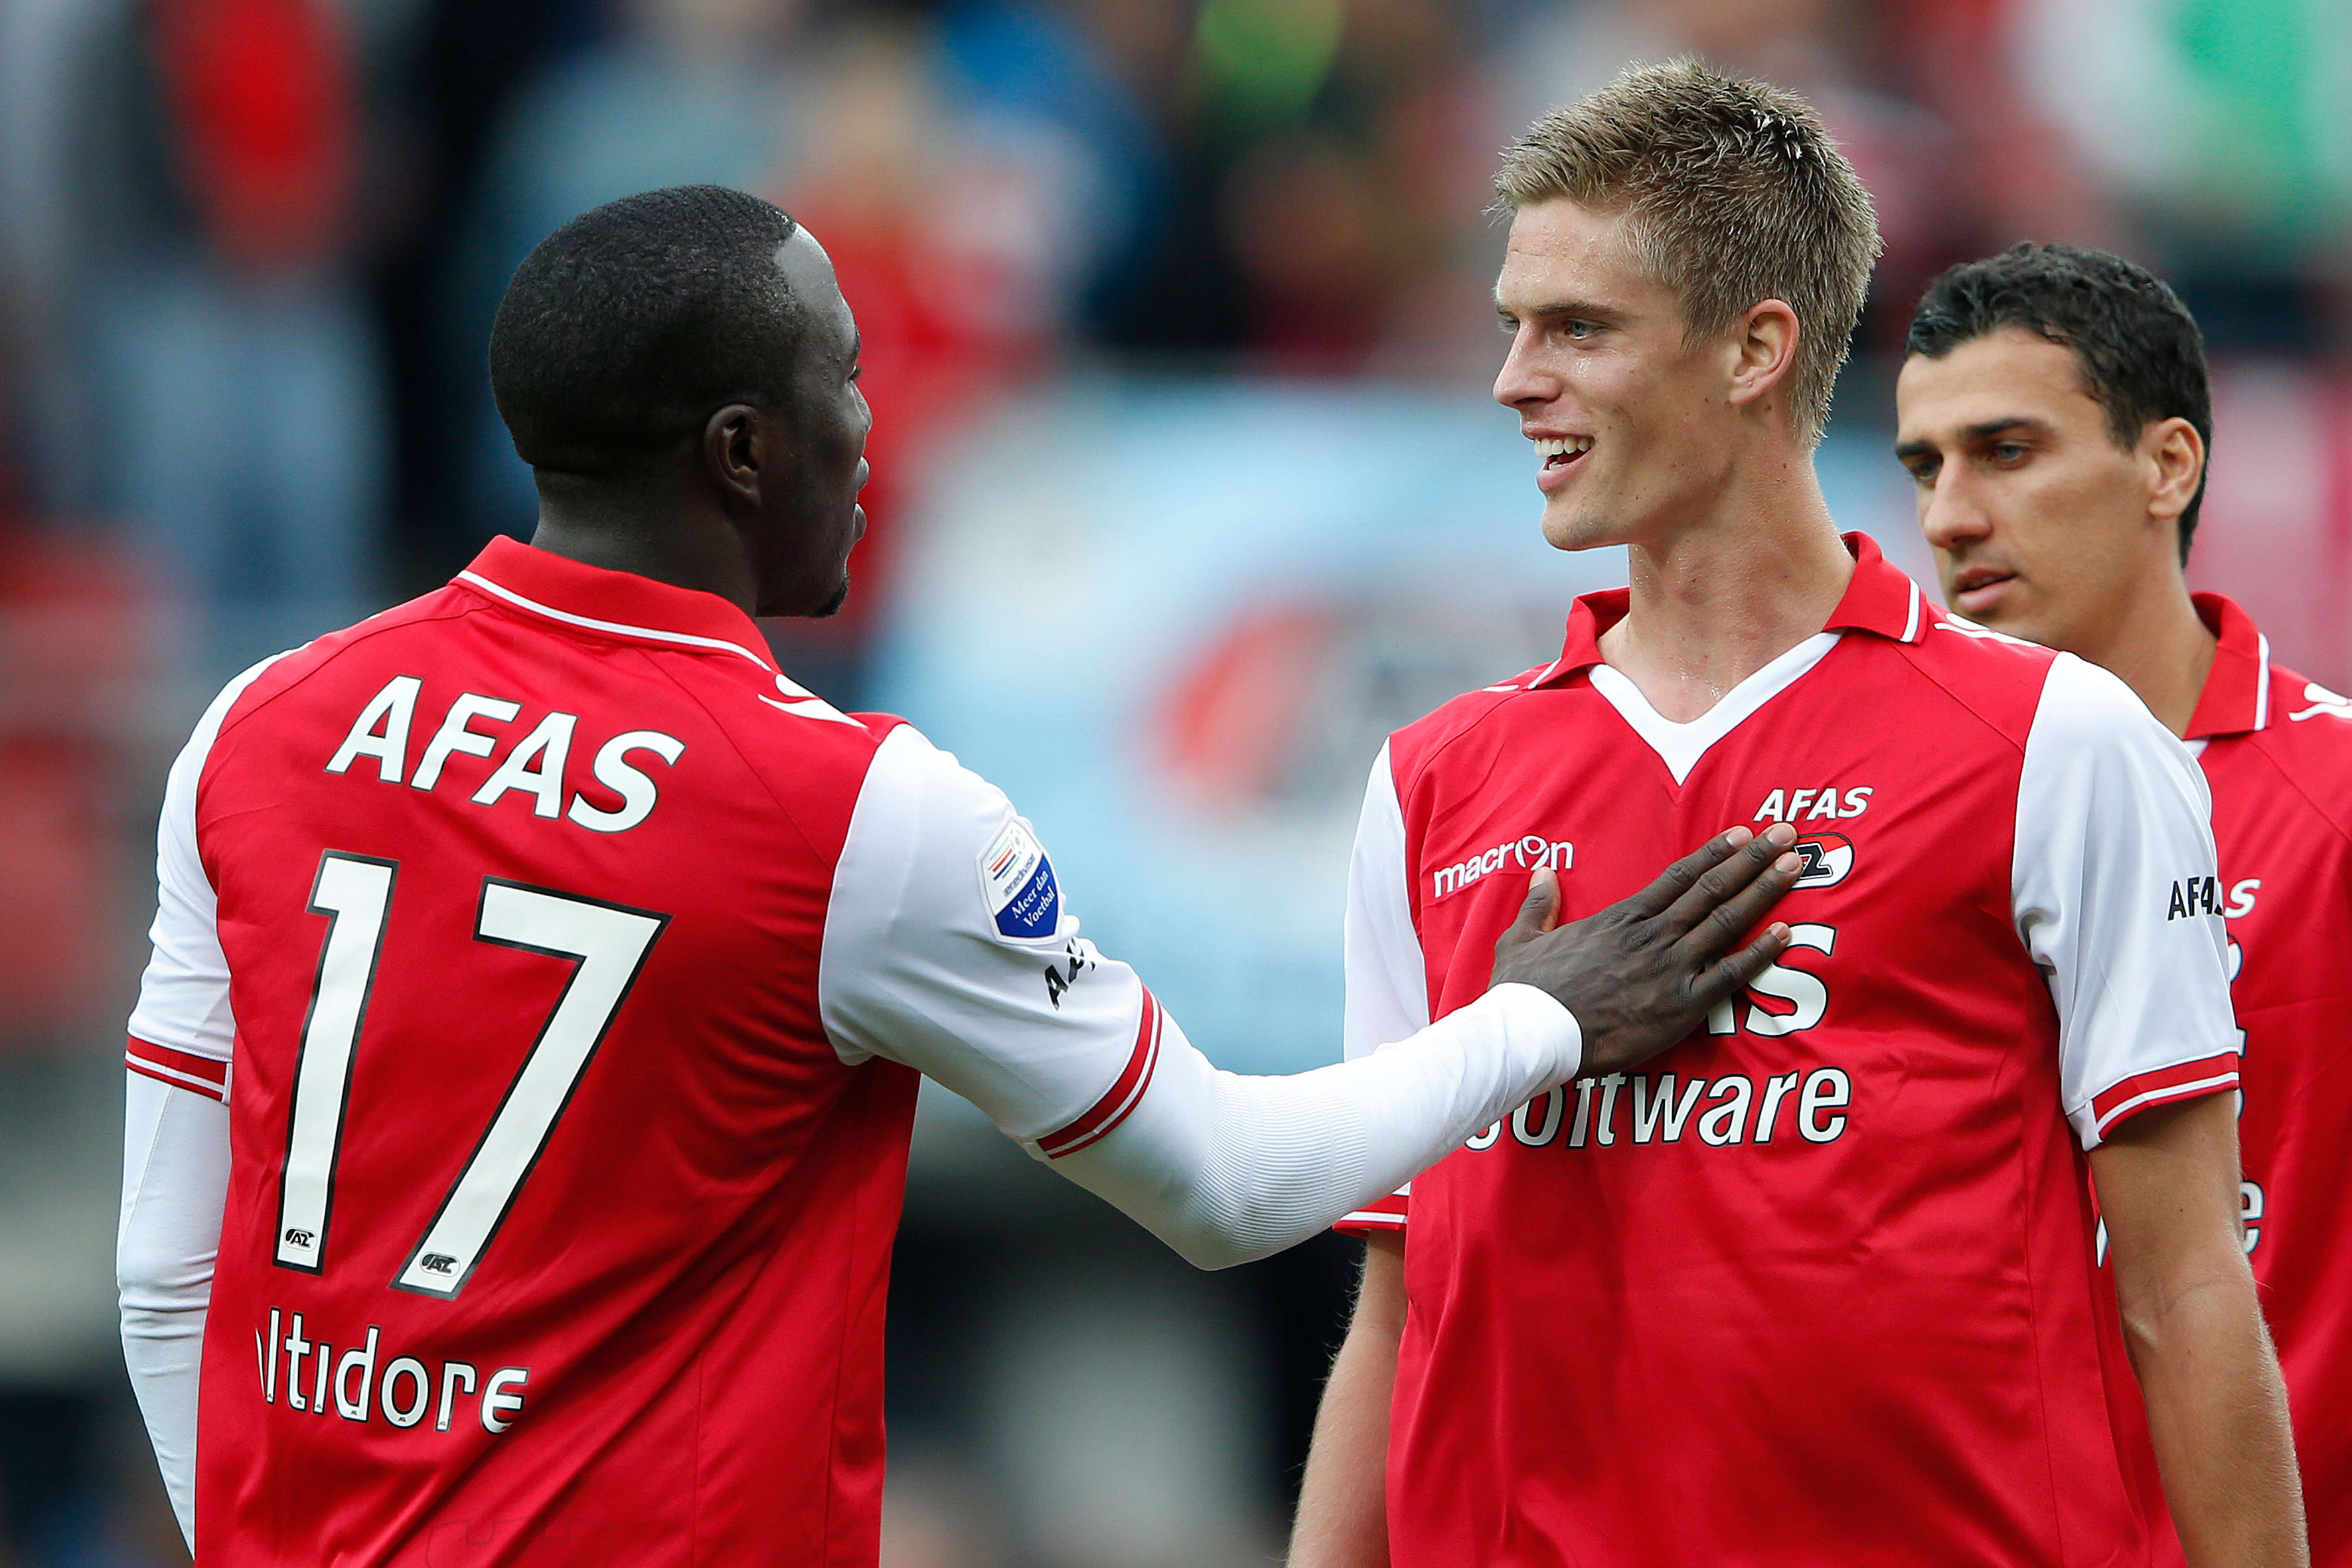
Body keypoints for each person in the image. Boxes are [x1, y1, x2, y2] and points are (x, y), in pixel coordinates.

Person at [113, 185, 1806, 1567]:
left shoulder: (263, 723)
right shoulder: (845, 810)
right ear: (742, 451)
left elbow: (168, 1276)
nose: (874, 426)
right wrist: (1535, 1018)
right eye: (844, 377)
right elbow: (1220, 1183)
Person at [1289, 64, 2304, 1568]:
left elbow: (2185, 1287)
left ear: (1756, 349)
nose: (1512, 378)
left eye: (1576, 327)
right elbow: (1396, 1304)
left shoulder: (2057, 742)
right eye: (1512, 323)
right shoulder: (1434, 778)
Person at [1896, 242, 2349, 1565]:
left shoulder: (2333, 802)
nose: (1949, 516)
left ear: (2167, 466)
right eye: (1924, 465)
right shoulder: (1881, 819)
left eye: (2006, 451)